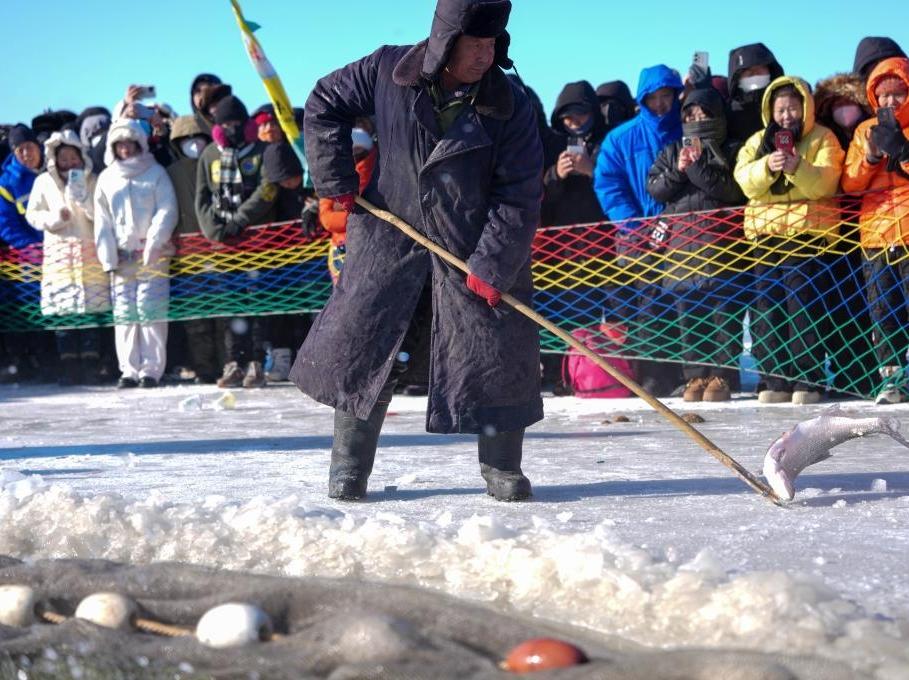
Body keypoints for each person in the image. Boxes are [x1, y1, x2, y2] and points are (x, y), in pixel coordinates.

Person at [293, 0, 543, 502]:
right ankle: (348, 467)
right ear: (445, 42)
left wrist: (493, 262)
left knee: (497, 353)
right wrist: (334, 178)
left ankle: (501, 467)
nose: (485, 54)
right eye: (475, 44)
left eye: (492, 43)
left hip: (473, 248)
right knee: (368, 349)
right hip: (389, 238)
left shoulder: (510, 101)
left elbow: (520, 191)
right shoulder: (388, 70)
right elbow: (324, 102)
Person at [734, 76, 844, 405]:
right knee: (768, 310)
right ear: (770, 111)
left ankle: (807, 379)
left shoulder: (823, 138)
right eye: (780, 109)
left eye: (793, 108)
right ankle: (773, 379)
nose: (786, 116)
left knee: (804, 311)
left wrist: (798, 167)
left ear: (805, 109)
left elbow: (826, 183)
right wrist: (767, 166)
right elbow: (744, 180)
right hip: (766, 238)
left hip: (807, 237)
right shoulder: (757, 142)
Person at [646, 87, 746, 402]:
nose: (696, 118)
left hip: (720, 250)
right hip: (680, 251)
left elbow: (732, 191)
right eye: (690, 113)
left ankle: (723, 376)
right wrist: (678, 169)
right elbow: (655, 189)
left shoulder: (730, 148)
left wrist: (696, 167)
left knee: (722, 317)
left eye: (703, 112)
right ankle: (695, 377)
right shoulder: (671, 149)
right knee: (688, 318)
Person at [593, 64, 684, 397]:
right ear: (642, 100)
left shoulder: (688, 131)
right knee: (645, 309)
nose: (661, 104)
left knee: (683, 304)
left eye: (666, 97)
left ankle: (687, 374)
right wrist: (633, 224)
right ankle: (650, 377)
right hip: (637, 235)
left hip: (682, 233)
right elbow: (608, 184)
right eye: (654, 98)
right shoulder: (621, 137)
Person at [195, 94, 277, 389]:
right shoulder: (209, 155)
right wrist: (213, 229)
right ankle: (234, 362)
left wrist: (240, 219)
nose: (230, 128)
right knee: (231, 306)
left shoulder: (261, 150)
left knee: (258, 304)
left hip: (255, 240)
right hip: (224, 246)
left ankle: (256, 361)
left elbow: (268, 189)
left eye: (236, 123)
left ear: (245, 124)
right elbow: (202, 196)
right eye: (225, 123)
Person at [841, 57, 909, 404]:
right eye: (883, 96)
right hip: (876, 235)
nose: (890, 102)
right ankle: (892, 379)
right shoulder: (865, 130)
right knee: (883, 310)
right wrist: (869, 157)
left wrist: (902, 150)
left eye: (898, 94)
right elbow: (850, 186)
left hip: (908, 232)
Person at [94, 119, 178, 388]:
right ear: (113, 147)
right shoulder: (107, 178)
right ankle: (129, 370)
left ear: (139, 144)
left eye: (130, 143)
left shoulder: (155, 173)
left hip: (152, 256)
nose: (126, 149)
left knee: (150, 311)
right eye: (120, 144)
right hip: (121, 258)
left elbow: (167, 209)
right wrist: (108, 257)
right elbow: (102, 220)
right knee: (125, 314)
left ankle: (151, 370)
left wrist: (155, 241)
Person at [25, 129, 110, 385]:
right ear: (55, 160)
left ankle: (92, 364)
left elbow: (103, 216)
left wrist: (84, 202)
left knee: (89, 314)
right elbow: (33, 215)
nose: (69, 163)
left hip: (89, 257)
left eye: (74, 158)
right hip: (59, 259)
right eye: (64, 159)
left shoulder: (93, 180)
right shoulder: (43, 183)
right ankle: (69, 366)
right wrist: (55, 219)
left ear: (82, 157)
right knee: (64, 315)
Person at [814, 72, 877, 398]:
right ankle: (844, 375)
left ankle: (866, 374)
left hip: (870, 229)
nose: (843, 111)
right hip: (833, 234)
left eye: (848, 103)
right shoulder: (826, 137)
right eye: (835, 105)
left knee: (868, 308)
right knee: (837, 308)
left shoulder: (873, 131)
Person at [165, 114, 218, 384]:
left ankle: (225, 362)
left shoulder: (216, 163)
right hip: (188, 252)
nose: (193, 144)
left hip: (220, 249)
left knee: (223, 311)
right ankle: (204, 366)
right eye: (186, 140)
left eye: (197, 138)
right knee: (196, 315)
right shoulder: (172, 172)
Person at [541, 80, 607, 228]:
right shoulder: (550, 146)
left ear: (593, 113)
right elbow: (540, 198)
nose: (575, 122)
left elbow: (619, 188)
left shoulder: (608, 143)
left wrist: (592, 171)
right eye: (568, 118)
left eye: (581, 114)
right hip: (561, 239)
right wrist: (556, 173)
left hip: (603, 234)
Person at [318, 123, 377, 284]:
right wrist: (354, 212)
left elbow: (369, 216)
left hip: (369, 246)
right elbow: (326, 218)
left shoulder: (375, 174)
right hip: (339, 248)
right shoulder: (332, 175)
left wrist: (342, 208)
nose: (352, 155)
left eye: (357, 150)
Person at [727, 43, 784, 143]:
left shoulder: (785, 102)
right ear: (737, 77)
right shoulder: (728, 112)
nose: (755, 74)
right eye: (748, 71)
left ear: (771, 71)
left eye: (760, 68)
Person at [0, 125, 44, 249]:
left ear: (38, 147)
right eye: (20, 150)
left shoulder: (56, 168)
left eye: (29, 147)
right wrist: (32, 246)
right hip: (32, 257)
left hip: (67, 247)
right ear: (14, 153)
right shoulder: (6, 184)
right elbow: (6, 224)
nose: (26, 154)